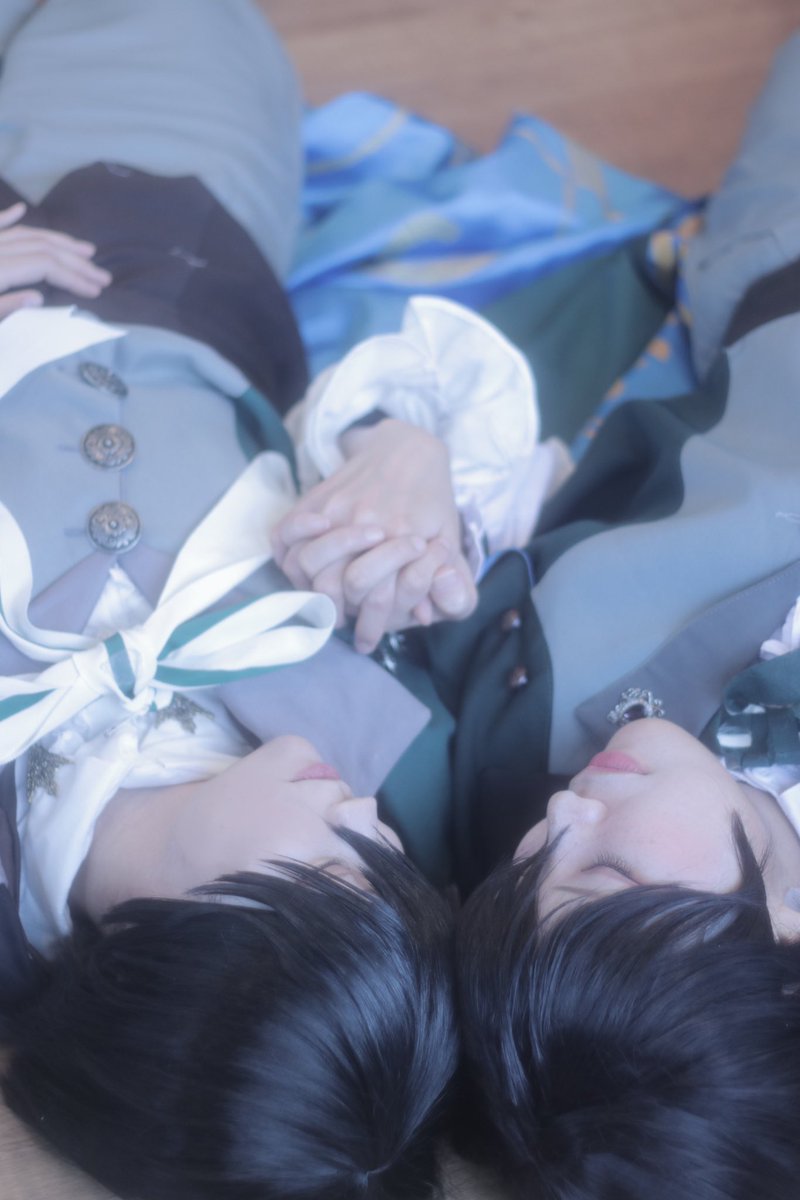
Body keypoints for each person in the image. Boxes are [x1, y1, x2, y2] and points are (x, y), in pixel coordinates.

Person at [257, 23, 800, 1200]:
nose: (559, 821)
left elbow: (422, 501)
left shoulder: (501, 756)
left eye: (530, 878)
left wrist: (404, 453)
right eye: (604, 878)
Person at [0, 3, 464, 1198]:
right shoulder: (380, 737)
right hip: (156, 208)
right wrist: (408, 450)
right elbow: (423, 434)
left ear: (189, 951)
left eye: (340, 875)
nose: (370, 826)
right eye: (391, 868)